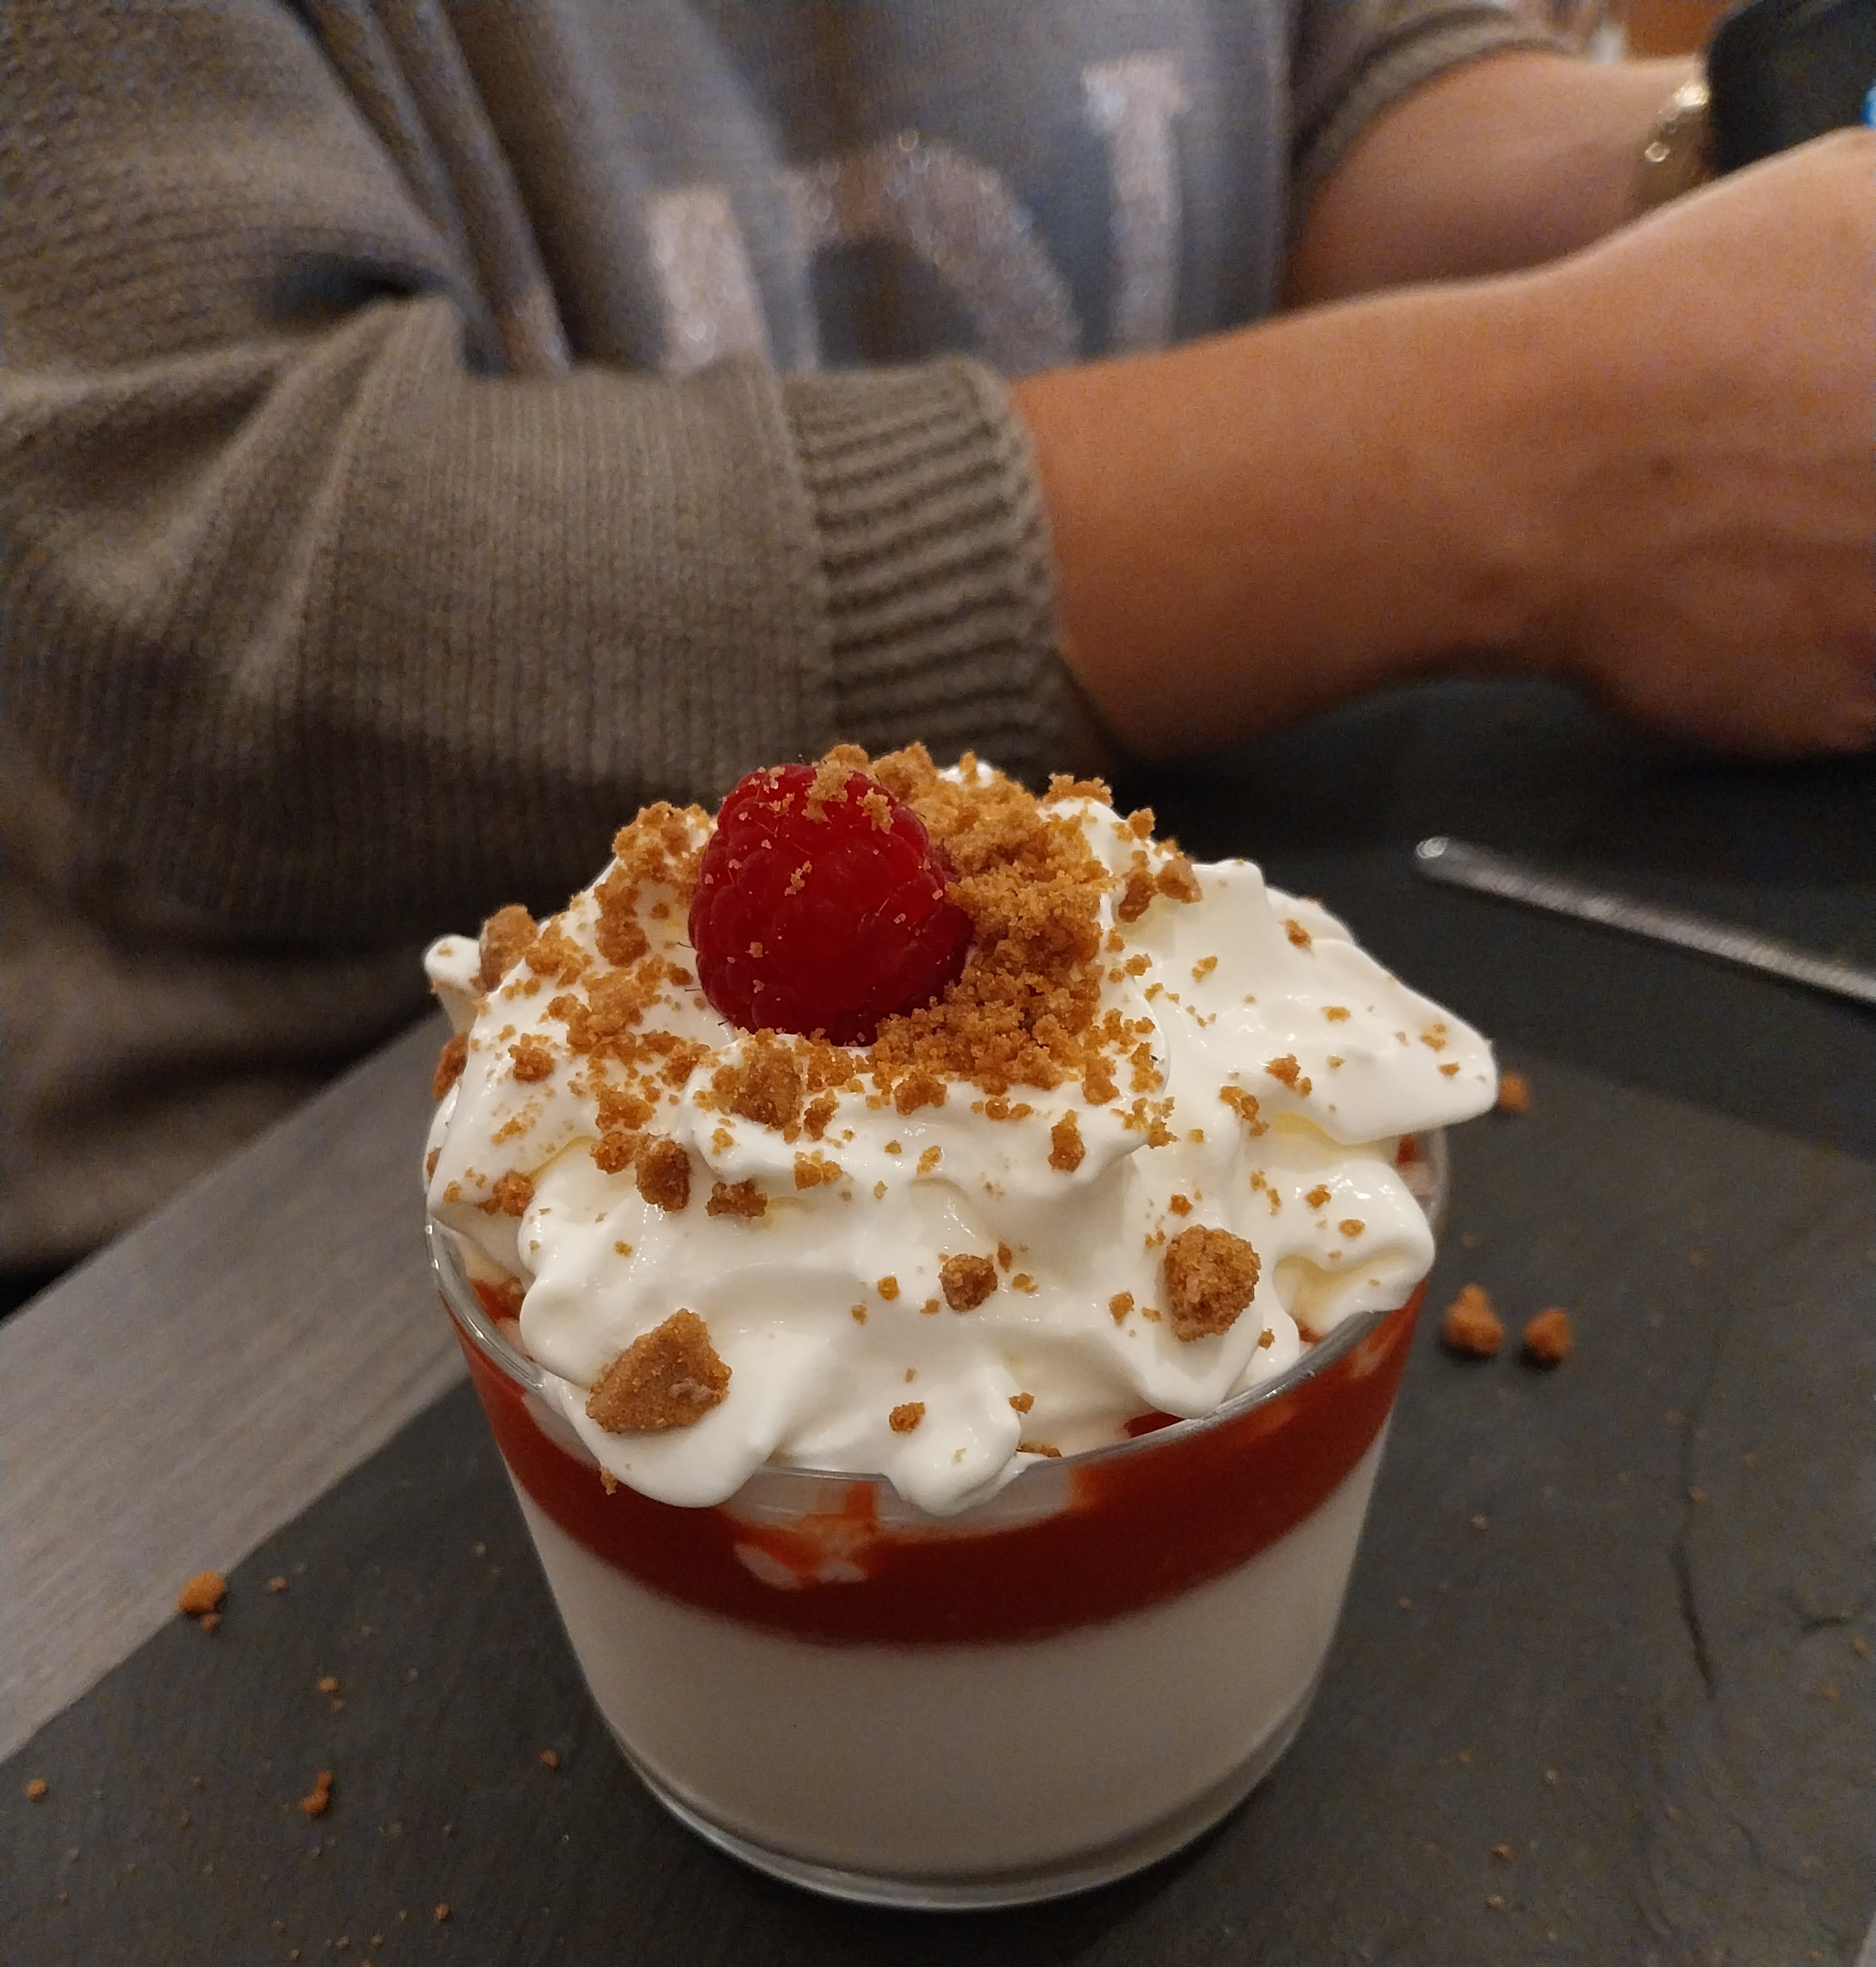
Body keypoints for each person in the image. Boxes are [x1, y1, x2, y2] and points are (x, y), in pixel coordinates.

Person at [2, 1, 1870, 1284]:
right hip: (327, 1215)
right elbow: (224, 568)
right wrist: (1516, 460)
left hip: (1174, 951)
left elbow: (1313, 80)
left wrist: (1730, 163)